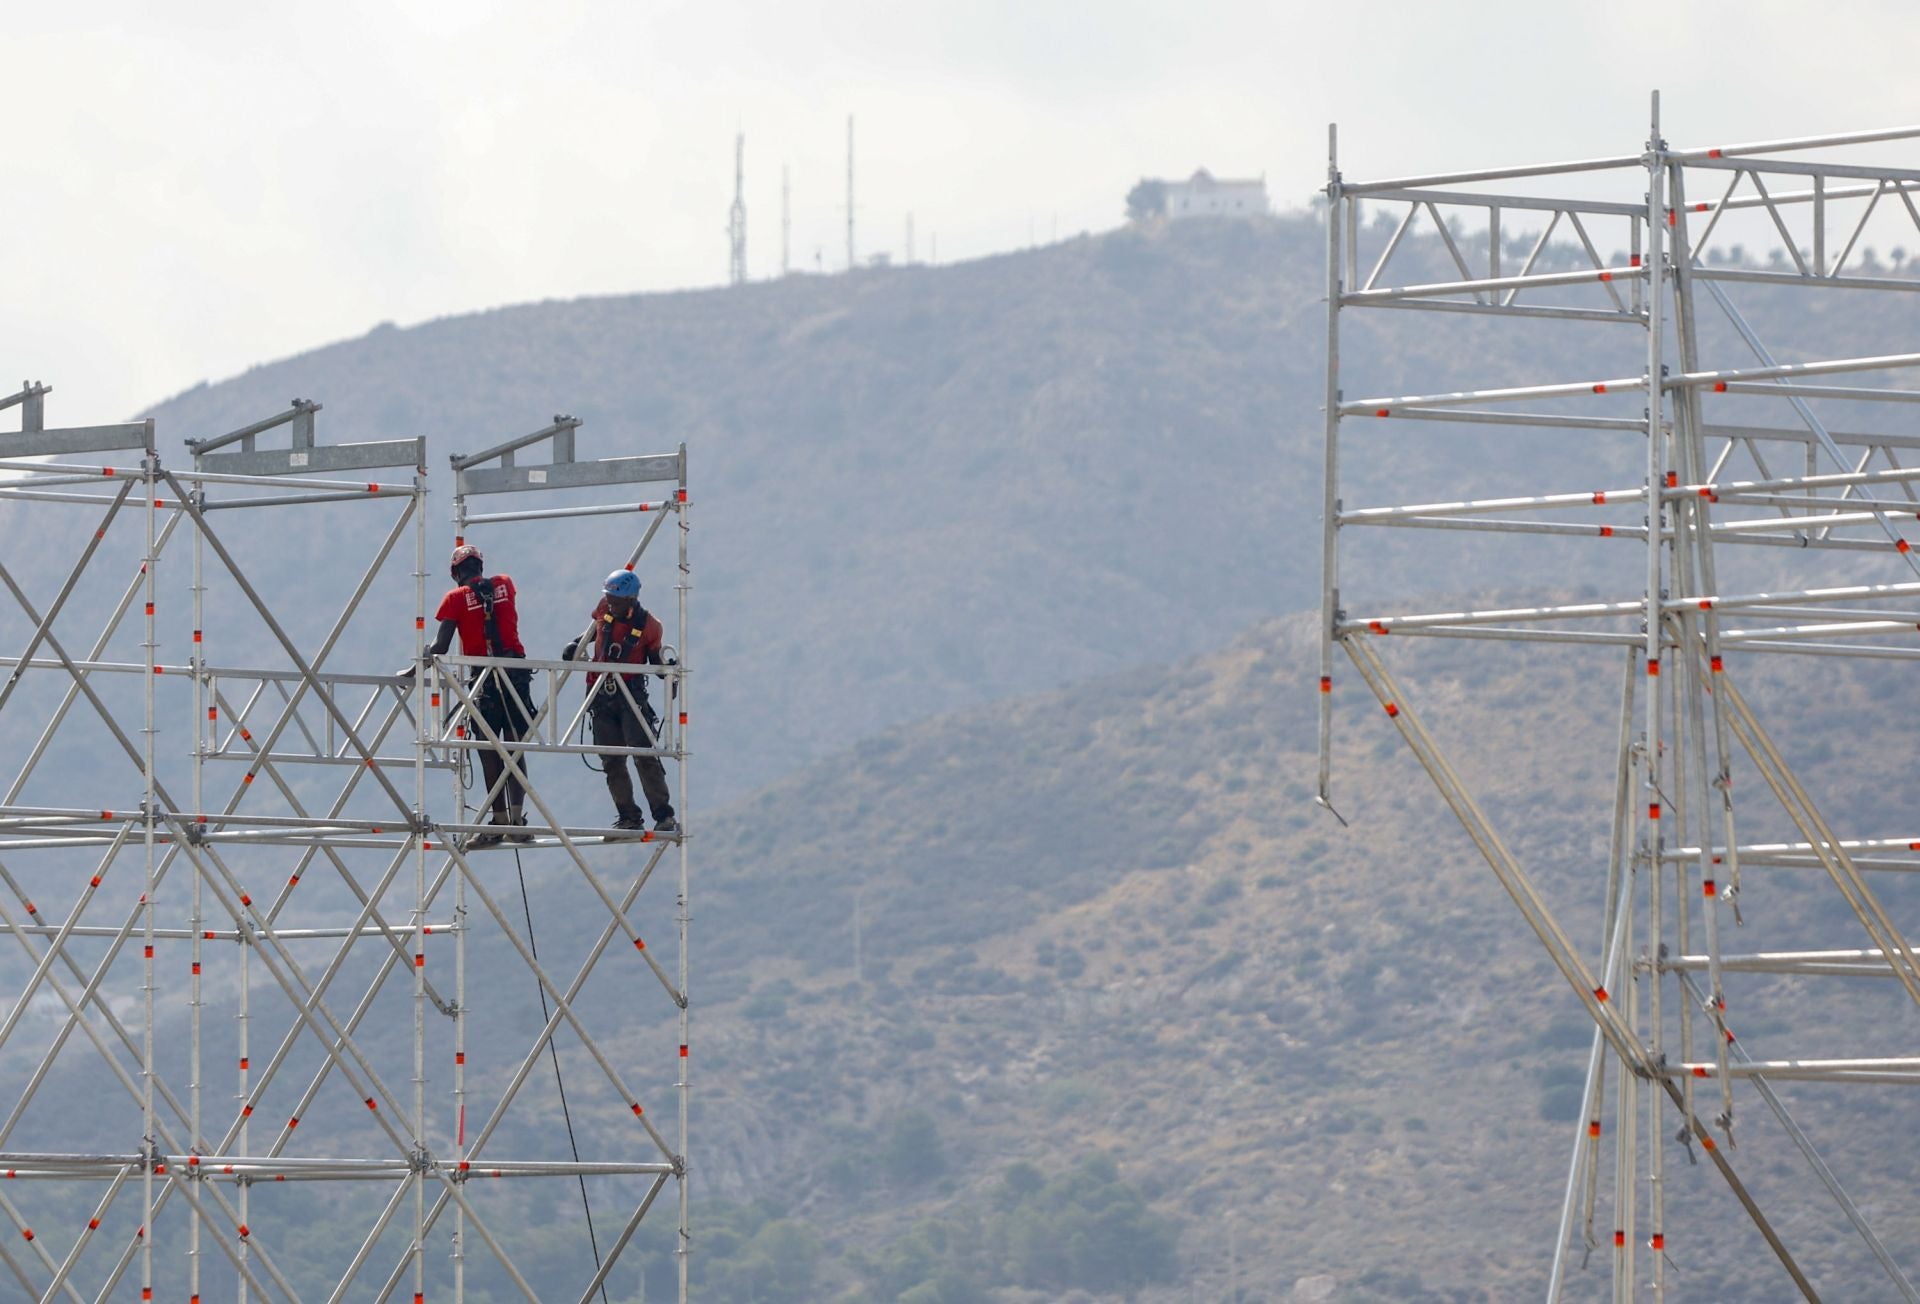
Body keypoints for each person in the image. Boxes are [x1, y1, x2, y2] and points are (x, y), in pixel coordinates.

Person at [427, 543, 534, 847]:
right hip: (515, 675)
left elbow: (441, 646)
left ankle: (498, 821)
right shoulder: (505, 583)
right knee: (514, 747)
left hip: (485, 682)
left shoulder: (455, 599)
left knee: (488, 750)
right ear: (480, 567)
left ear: (456, 573)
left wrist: (421, 658)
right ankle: (517, 819)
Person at [565, 569, 677, 834]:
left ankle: (663, 815)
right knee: (612, 760)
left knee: (644, 755)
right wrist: (575, 645)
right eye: (609, 599)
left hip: (631, 697)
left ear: (631, 599)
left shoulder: (649, 625)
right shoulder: (604, 609)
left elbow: (654, 662)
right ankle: (628, 816)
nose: (611, 604)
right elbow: (593, 634)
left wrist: (669, 672)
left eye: (616, 601)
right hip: (602, 695)